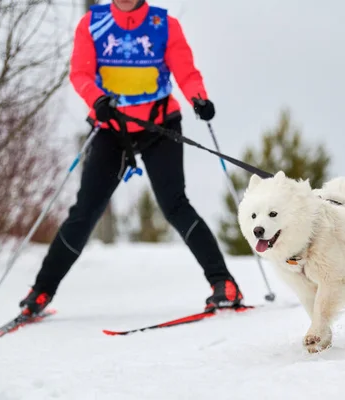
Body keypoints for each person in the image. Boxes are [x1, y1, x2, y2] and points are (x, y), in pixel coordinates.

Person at [18, 0, 245, 316]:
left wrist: (199, 98)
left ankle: (224, 284)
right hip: (111, 127)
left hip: (159, 125)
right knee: (85, 211)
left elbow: (186, 71)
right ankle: (40, 292)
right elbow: (80, 74)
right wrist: (97, 100)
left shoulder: (163, 25)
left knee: (174, 204)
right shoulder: (92, 24)